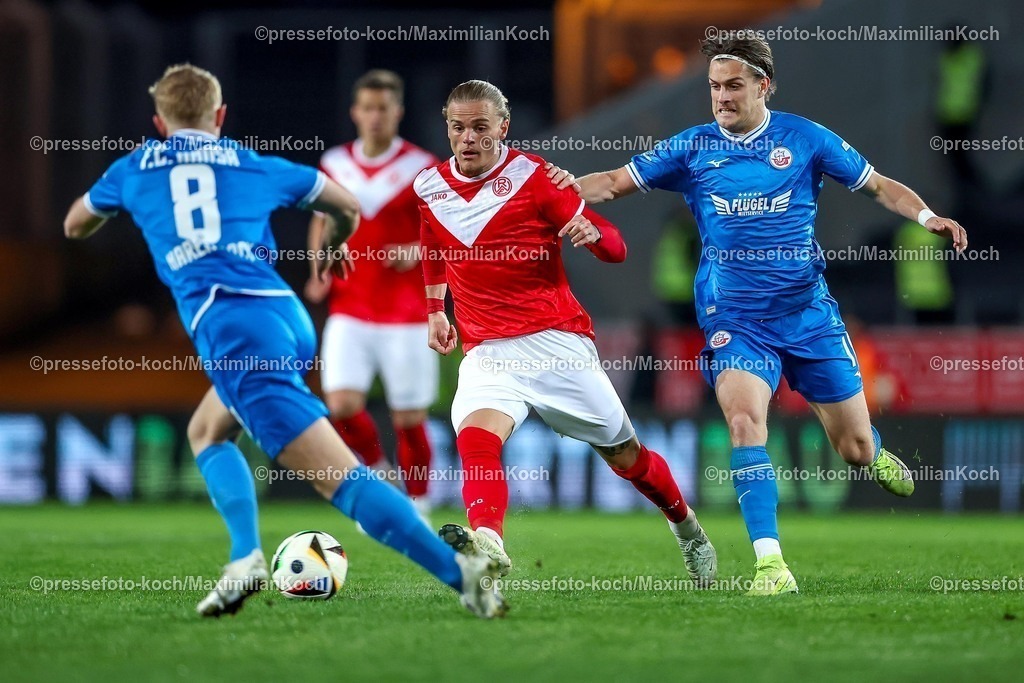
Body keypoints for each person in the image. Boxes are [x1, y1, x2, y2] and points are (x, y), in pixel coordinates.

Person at [62, 64, 505, 618]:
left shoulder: (132, 168)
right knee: (206, 432)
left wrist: (127, 201)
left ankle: (462, 573)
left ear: (159, 122)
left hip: (235, 329)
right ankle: (244, 557)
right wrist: (336, 244)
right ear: (219, 117)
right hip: (286, 317)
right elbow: (343, 204)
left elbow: (75, 225)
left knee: (340, 481)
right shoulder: (252, 161)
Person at [545, 34, 968, 595]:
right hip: (735, 321)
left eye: (733, 86)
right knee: (745, 423)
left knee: (854, 449)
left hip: (807, 315)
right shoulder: (693, 148)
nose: (720, 97)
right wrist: (556, 192)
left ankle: (874, 450)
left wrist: (927, 216)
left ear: (763, 86)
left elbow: (880, 187)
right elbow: (614, 182)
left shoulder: (805, 138)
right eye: (714, 86)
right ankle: (771, 564)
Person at [417, 80, 717, 585]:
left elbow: (617, 248)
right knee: (475, 438)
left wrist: (594, 235)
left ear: (503, 128)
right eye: (458, 127)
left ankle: (688, 531)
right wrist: (435, 310)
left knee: (629, 459)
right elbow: (432, 243)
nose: (468, 138)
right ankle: (489, 541)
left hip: (556, 344)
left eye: (480, 128)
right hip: (487, 350)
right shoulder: (428, 185)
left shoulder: (536, 179)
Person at [306, 70, 439, 513]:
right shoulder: (334, 163)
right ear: (355, 113)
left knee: (408, 418)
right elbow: (321, 219)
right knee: (341, 404)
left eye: (383, 108)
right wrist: (317, 268)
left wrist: (418, 249)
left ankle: (418, 503)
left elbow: (447, 230)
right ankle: (380, 477)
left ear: (397, 112)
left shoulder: (422, 167)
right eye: (367, 107)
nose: (375, 116)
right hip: (351, 304)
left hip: (406, 311)